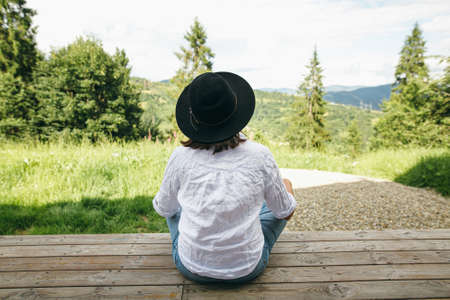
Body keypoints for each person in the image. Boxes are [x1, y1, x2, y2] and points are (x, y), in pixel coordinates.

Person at [152, 71, 296, 284]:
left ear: (194, 118)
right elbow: (285, 212)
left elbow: (164, 209)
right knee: (285, 188)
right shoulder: (260, 155)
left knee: (175, 206)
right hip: (247, 268)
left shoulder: (180, 157)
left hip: (191, 267)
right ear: (236, 111)